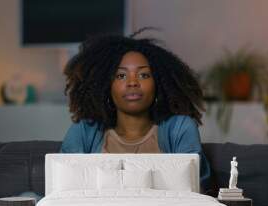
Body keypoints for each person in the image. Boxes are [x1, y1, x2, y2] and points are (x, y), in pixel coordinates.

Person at [60, 29, 210, 190]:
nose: (132, 83)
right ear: (106, 86)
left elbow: (194, 189)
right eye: (121, 76)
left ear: (157, 84)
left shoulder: (179, 128)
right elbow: (64, 188)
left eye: (144, 75)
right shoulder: (84, 132)